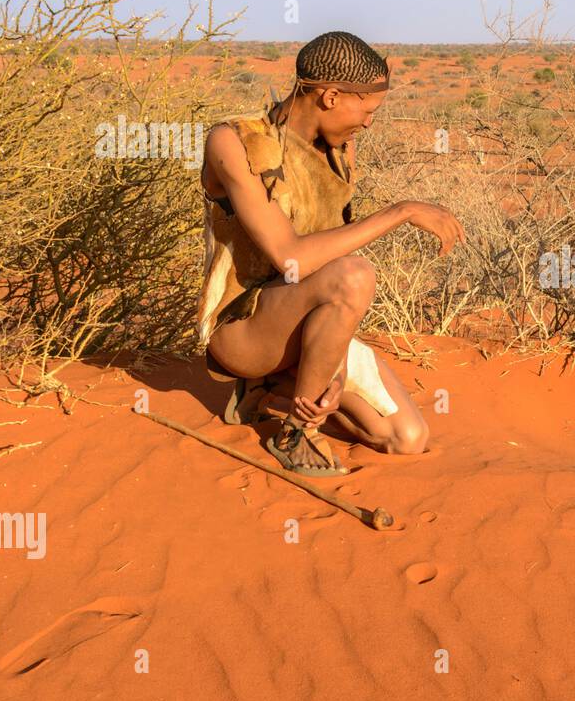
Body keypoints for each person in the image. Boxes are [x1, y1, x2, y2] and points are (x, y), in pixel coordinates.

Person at [197, 31, 465, 475]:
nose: (369, 123)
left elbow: (322, 271)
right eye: (368, 109)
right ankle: (297, 433)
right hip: (245, 330)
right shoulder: (235, 141)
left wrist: (334, 373)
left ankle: (270, 388)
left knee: (407, 439)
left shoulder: (338, 153)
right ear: (331, 96)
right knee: (355, 275)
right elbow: (292, 260)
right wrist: (401, 211)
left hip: (302, 325)